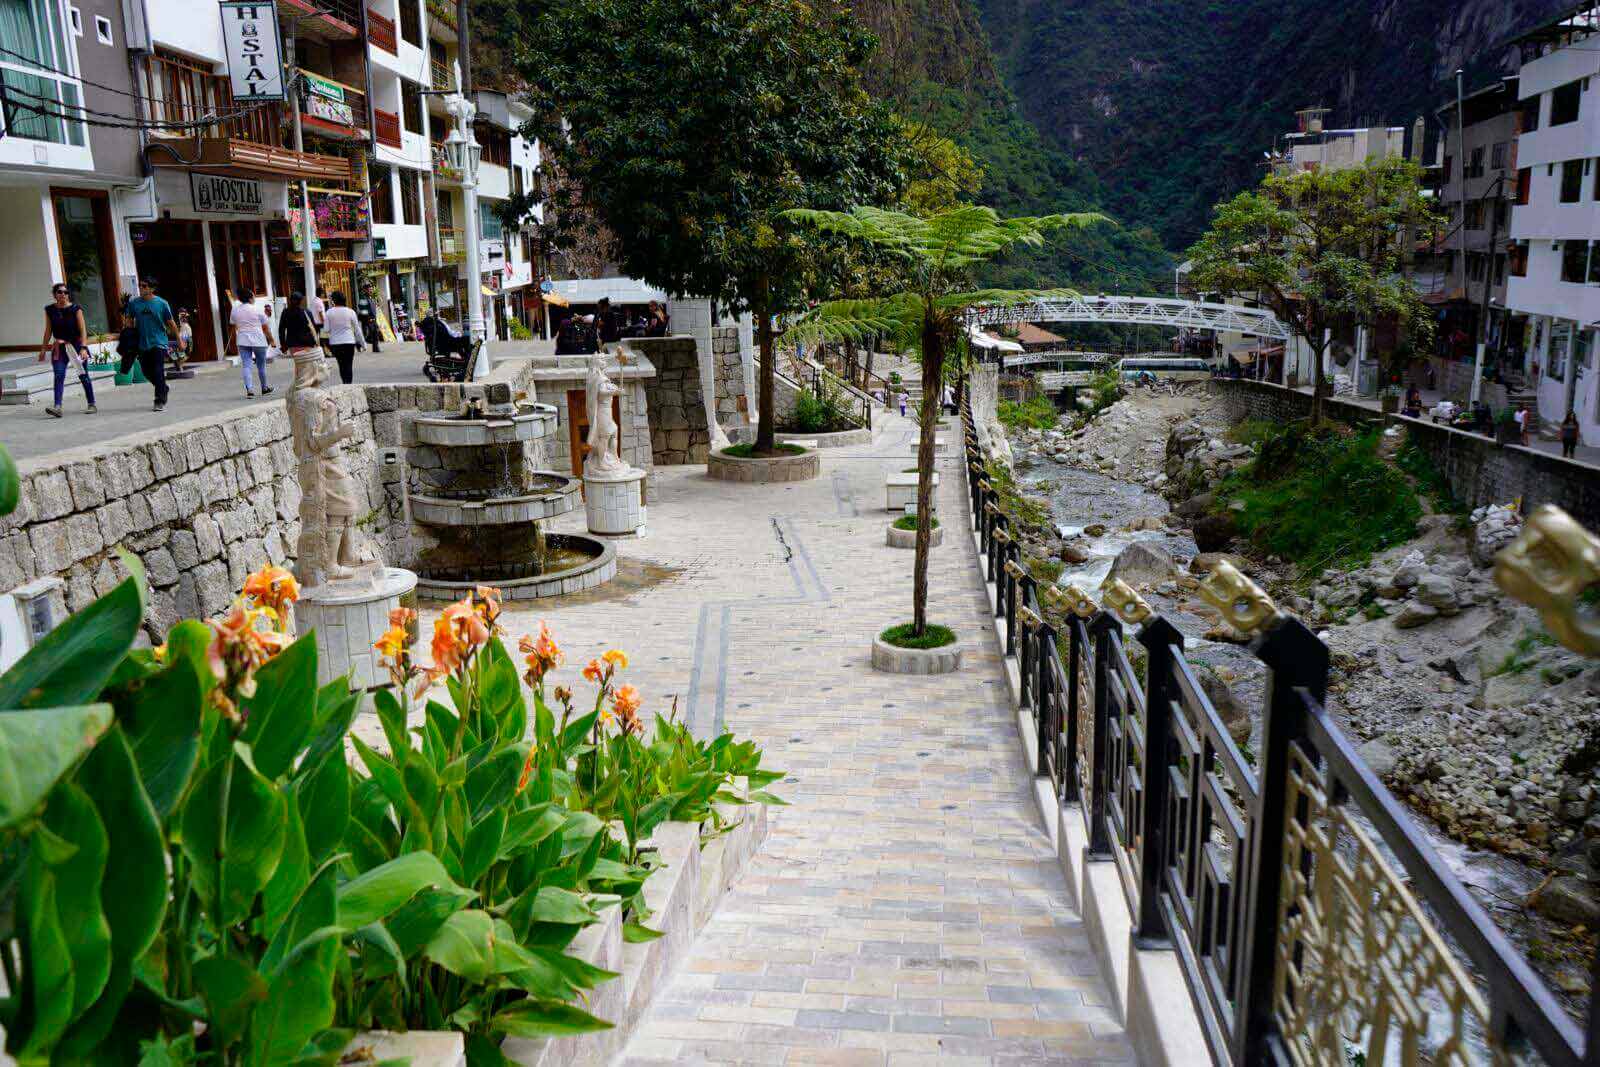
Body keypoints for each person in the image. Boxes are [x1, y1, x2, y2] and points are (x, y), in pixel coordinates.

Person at [38, 283, 96, 417]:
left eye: (66, 292)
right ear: (54, 295)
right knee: (58, 375)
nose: (63, 294)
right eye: (60, 292)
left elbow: (83, 331)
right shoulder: (50, 310)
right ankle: (57, 407)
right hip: (59, 347)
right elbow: (48, 331)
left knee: (83, 375)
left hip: (76, 346)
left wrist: (83, 347)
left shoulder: (76, 309)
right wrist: (43, 349)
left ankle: (91, 403)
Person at [123, 277, 178, 411]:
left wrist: (179, 339)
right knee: (146, 371)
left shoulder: (162, 303)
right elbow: (129, 318)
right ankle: (163, 387)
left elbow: (171, 323)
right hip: (142, 343)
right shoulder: (134, 304)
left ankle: (159, 400)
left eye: (145, 286)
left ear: (152, 288)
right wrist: (129, 333)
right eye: (140, 285)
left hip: (158, 342)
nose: (141, 288)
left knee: (158, 370)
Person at [229, 287, 276, 397]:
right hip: (258, 339)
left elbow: (233, 325)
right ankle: (264, 388)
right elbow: (265, 328)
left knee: (246, 365)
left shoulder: (235, 310)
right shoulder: (257, 309)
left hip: (242, 339)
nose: (254, 298)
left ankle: (249, 390)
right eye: (253, 296)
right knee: (261, 365)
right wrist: (272, 340)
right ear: (250, 298)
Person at [324, 291, 365, 384]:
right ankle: (348, 384)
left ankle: (345, 383)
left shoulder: (329, 313)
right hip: (349, 342)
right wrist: (363, 344)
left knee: (341, 365)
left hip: (335, 344)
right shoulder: (351, 312)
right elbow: (357, 330)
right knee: (349, 365)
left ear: (334, 300)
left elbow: (326, 329)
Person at [279, 290, 321, 371]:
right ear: (301, 301)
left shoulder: (285, 312)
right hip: (307, 343)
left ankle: (301, 381)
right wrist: (316, 342)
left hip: (292, 344)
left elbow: (281, 329)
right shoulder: (306, 312)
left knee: (299, 365)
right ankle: (305, 382)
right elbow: (313, 328)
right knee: (307, 366)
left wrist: (283, 345)